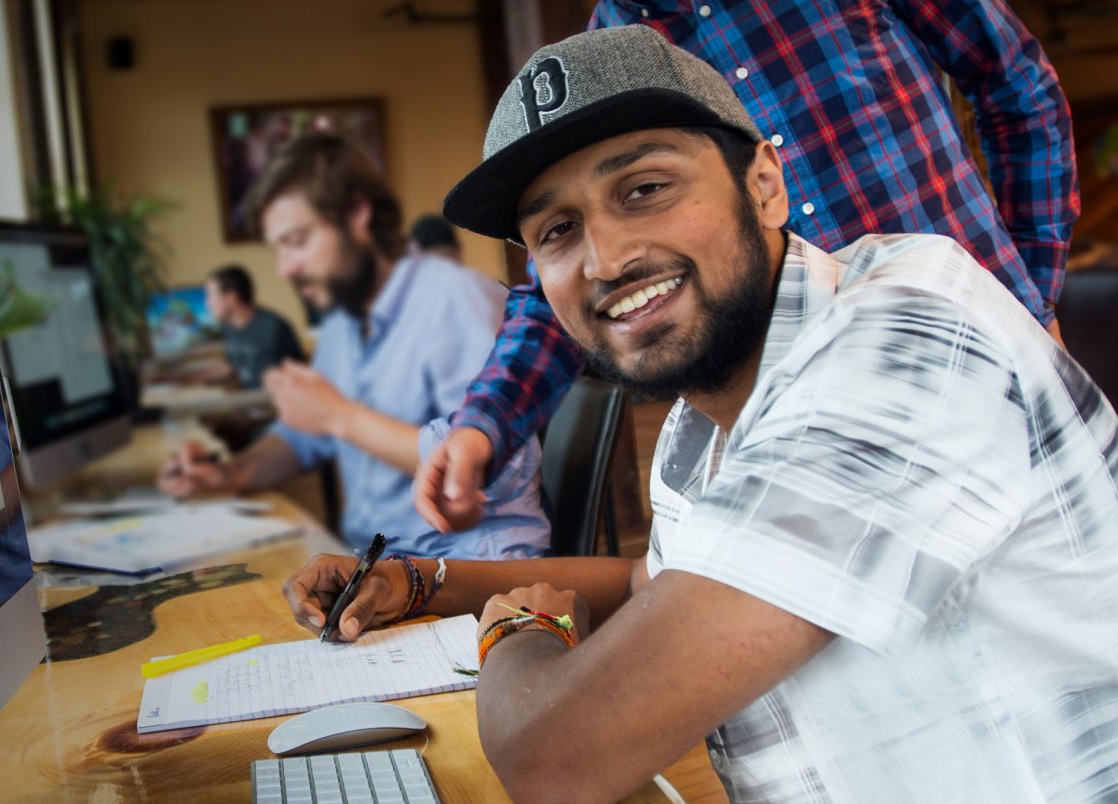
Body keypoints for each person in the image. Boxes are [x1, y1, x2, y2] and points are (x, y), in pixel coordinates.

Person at [284, 27, 1118, 802]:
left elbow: (556, 761)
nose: (608, 258)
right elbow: (656, 586)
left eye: (644, 189)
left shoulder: (906, 336)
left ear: (767, 185)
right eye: (556, 231)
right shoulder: (699, 423)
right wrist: (426, 583)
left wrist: (521, 626)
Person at [413, 0, 1079, 536]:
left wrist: (1029, 298)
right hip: (805, 423)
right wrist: (486, 421)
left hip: (977, 350)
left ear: (768, 180)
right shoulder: (609, 62)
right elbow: (571, 267)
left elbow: (1015, 84)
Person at [157, 133, 548, 560]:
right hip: (381, 566)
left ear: (357, 213)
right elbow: (305, 437)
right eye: (278, 249)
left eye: (297, 240)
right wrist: (228, 472)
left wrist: (341, 417)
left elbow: (493, 467)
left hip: (469, 573)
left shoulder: (455, 298)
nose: (285, 268)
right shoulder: (342, 322)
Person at [200, 264, 304, 388]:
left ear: (231, 298)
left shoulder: (272, 328)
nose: (207, 303)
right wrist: (183, 379)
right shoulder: (229, 326)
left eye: (210, 296)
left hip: (271, 402)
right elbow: (231, 366)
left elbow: (285, 382)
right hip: (251, 401)